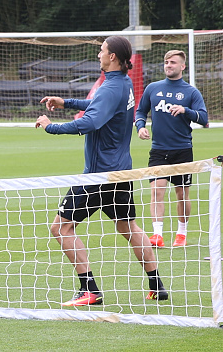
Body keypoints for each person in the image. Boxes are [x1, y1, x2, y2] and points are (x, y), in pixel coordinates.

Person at [35, 36, 168, 306]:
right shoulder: (124, 83)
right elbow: (100, 107)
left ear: (113, 57)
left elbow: (91, 122)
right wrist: (66, 103)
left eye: (102, 51)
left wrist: (51, 126)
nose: (98, 55)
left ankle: (90, 290)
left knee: (60, 228)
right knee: (127, 225)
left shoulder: (110, 87)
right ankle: (157, 285)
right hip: (121, 173)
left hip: (98, 175)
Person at [135, 50, 208, 248]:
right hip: (158, 150)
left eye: (173, 62)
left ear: (182, 66)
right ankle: (157, 235)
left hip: (182, 150)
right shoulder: (152, 88)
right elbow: (141, 111)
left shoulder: (191, 92)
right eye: (166, 62)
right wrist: (140, 126)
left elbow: (204, 118)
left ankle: (181, 233)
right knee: (157, 190)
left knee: (182, 194)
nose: (168, 65)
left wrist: (186, 110)